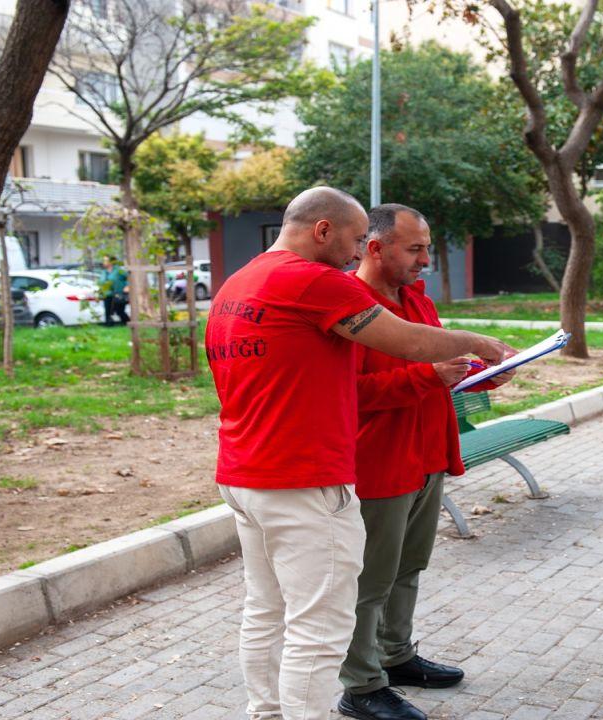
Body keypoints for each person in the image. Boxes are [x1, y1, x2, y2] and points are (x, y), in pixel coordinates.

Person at [205, 187, 511, 720]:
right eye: (351, 240)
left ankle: (267, 712)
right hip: (302, 478)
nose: (355, 253)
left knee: (267, 611)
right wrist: (481, 343)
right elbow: (409, 344)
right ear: (322, 231)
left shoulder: (240, 281)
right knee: (319, 628)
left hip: (245, 472)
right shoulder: (313, 281)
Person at [338, 204, 514, 720]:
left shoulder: (416, 299)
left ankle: (396, 655)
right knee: (371, 578)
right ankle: (361, 685)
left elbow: (437, 371)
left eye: (426, 247)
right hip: (381, 461)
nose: (426, 260)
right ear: (375, 247)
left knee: (409, 566)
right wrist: (429, 376)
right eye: (415, 249)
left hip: (426, 454)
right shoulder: (349, 305)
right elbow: (347, 392)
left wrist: (477, 376)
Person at [99, 255, 130, 326]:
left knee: (120, 311)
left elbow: (129, 277)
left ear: (111, 262)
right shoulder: (104, 272)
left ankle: (128, 323)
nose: (103, 262)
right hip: (107, 294)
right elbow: (101, 282)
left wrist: (127, 286)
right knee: (108, 311)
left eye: (105, 260)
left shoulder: (119, 270)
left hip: (118, 294)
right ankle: (109, 325)